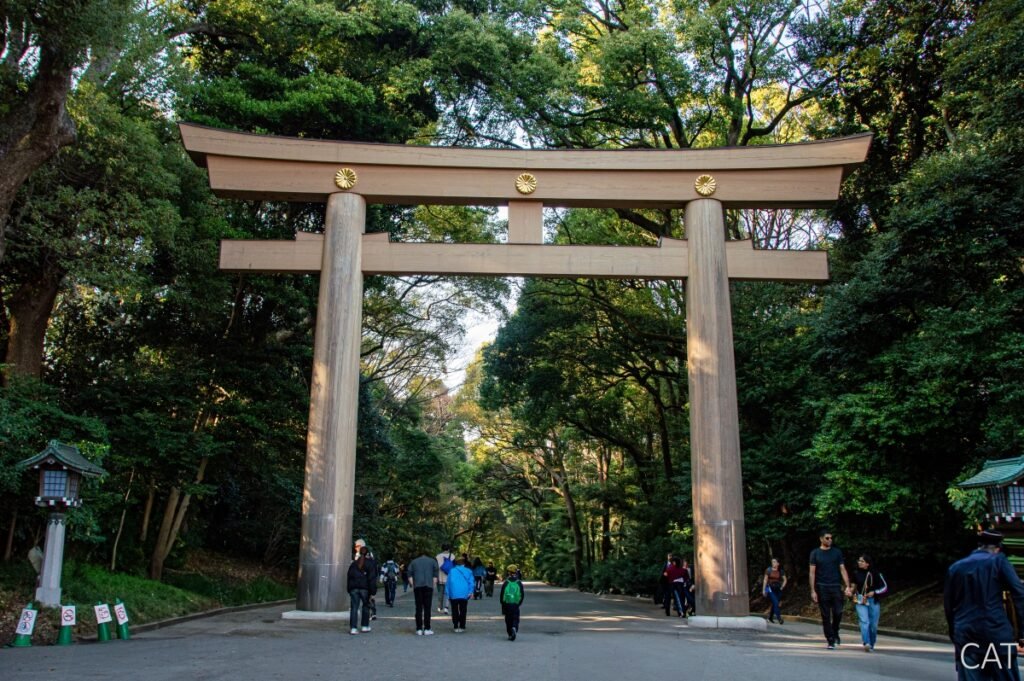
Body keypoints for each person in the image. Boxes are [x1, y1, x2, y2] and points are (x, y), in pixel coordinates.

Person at [944, 529, 1024, 680]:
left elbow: (949, 606)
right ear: (998, 548)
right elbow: (1019, 593)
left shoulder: (955, 567)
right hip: (996, 635)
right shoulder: (998, 561)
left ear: (979, 546)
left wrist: (955, 634)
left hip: (966, 637)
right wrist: (1022, 634)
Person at [809, 529, 851, 649]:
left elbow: (842, 569)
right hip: (822, 587)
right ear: (821, 539)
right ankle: (830, 639)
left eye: (831, 538)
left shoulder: (837, 552)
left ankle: (835, 630)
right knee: (825, 615)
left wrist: (847, 585)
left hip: (836, 586)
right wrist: (813, 590)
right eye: (827, 538)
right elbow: (812, 573)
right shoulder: (815, 553)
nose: (830, 540)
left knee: (838, 612)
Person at [851, 553, 887, 651]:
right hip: (860, 599)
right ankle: (866, 642)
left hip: (873, 600)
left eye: (862, 561)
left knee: (873, 624)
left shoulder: (875, 573)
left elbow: (884, 587)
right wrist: (849, 590)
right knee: (864, 621)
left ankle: (871, 643)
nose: (859, 562)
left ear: (868, 563)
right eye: (859, 560)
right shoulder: (856, 573)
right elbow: (853, 586)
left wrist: (874, 592)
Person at [408, 550, 439, 635]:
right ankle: (427, 628)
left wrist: (413, 584)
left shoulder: (413, 562)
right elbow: (435, 576)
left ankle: (418, 629)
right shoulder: (433, 561)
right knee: (427, 608)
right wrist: (433, 585)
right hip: (428, 586)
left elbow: (409, 574)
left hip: (417, 586)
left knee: (418, 608)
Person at [346, 550, 374, 634]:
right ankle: (365, 626)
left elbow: (349, 576)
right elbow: (372, 578)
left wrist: (349, 588)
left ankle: (353, 628)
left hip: (354, 588)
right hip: (365, 588)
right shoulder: (370, 564)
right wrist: (373, 592)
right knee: (366, 606)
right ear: (367, 554)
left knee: (354, 607)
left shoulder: (353, 564)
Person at [446, 557, 475, 632]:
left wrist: (448, 593)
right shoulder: (468, 571)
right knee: (463, 610)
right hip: (464, 593)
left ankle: (455, 625)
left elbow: (448, 583)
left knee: (454, 609)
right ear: (464, 563)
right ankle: (462, 625)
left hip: (453, 593)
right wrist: (470, 592)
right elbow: (471, 583)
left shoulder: (451, 571)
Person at [500, 563, 525, 641]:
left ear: (508, 572)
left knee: (508, 619)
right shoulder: (519, 582)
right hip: (515, 603)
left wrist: (502, 603)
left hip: (507, 603)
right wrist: (519, 603)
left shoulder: (506, 582)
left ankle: (510, 634)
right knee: (515, 618)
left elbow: (502, 594)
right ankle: (514, 627)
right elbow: (522, 594)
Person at [762, 557, 788, 624]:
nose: (773, 563)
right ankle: (779, 618)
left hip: (778, 588)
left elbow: (785, 580)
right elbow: (765, 580)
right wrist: (764, 590)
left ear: (778, 563)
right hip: (769, 588)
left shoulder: (780, 571)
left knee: (775, 603)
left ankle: (770, 617)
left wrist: (782, 587)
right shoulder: (768, 570)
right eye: (772, 562)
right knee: (776, 602)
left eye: (774, 562)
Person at [436, 543, 454, 614]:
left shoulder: (438, 556)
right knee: (448, 593)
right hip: (449, 577)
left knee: (440, 592)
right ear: (448, 549)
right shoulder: (452, 556)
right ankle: (446, 607)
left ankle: (439, 607)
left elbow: (437, 566)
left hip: (440, 577)